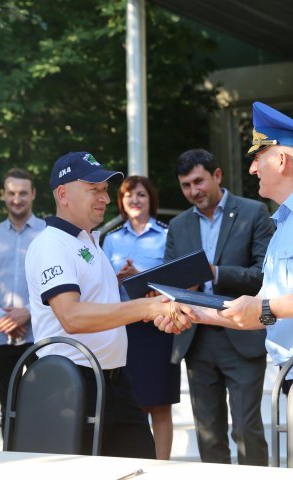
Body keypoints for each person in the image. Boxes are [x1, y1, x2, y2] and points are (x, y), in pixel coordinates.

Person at [159, 102, 293, 400]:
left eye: (257, 158)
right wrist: (191, 312)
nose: (252, 168)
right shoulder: (284, 223)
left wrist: (264, 309)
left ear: (280, 161)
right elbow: (258, 309)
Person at [25, 152, 191, 459]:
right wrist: (146, 309)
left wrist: (154, 306)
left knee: (142, 469)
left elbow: (102, 307)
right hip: (72, 386)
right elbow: (71, 316)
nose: (104, 198)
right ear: (63, 194)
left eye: (104, 189)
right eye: (94, 189)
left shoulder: (88, 241)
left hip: (115, 382)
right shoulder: (50, 245)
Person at [164, 149, 275, 466]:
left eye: (198, 181)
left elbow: (264, 275)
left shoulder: (254, 212)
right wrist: (181, 288)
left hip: (242, 334)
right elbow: (169, 280)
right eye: (186, 186)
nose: (193, 191)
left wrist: (216, 273)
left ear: (217, 175)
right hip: (197, 340)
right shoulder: (178, 225)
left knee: (245, 430)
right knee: (208, 434)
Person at [102, 175, 179, 460]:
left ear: (151, 200)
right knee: (133, 402)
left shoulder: (167, 234)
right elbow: (99, 285)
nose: (135, 200)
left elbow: (177, 280)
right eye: (128, 196)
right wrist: (118, 279)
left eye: (141, 195)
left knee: (160, 403)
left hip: (159, 327)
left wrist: (142, 279)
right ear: (121, 203)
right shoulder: (110, 240)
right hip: (125, 329)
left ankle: (162, 470)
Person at [0, 168, 46, 424]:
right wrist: (1, 317)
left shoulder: (48, 234)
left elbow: (57, 283)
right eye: (12, 193)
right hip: (0, 337)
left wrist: (27, 312)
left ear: (34, 194)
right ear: (3, 195)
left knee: (43, 409)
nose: (17, 199)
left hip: (39, 335)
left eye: (23, 193)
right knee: (8, 411)